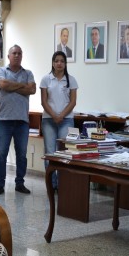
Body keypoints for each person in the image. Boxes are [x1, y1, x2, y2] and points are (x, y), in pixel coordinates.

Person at [0, 45, 36, 195]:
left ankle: (20, 183)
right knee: (1, 154)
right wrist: (22, 86)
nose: (17, 55)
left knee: (21, 155)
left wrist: (12, 87)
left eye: (19, 53)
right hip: (4, 120)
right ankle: (0, 184)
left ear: (22, 55)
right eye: (14, 53)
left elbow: (32, 90)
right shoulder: (1, 71)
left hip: (22, 122)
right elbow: (3, 85)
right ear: (8, 56)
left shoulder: (28, 73)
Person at [40, 51, 78, 190]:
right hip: (49, 120)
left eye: (62, 61)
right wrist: (54, 116)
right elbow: (44, 102)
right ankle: (52, 184)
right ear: (52, 63)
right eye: (56, 61)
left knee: (64, 152)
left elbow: (73, 102)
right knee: (50, 152)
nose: (59, 63)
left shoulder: (71, 80)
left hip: (67, 120)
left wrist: (61, 115)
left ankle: (63, 185)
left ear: (65, 63)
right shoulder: (46, 79)